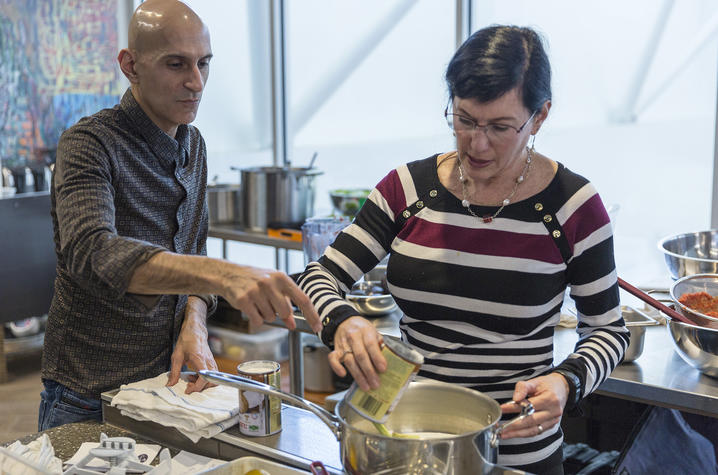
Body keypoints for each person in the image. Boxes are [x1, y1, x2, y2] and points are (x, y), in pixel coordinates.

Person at [297, 25, 629, 474]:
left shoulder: (573, 207)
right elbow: (319, 277)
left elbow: (608, 331)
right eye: (465, 119)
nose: (477, 143)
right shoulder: (408, 189)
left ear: (540, 116)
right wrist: (343, 320)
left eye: (500, 127)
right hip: (408, 441)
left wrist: (566, 381)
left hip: (517, 449)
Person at [39, 0, 320, 431]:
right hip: (87, 394)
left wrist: (196, 322)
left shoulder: (194, 145)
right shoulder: (88, 145)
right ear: (130, 66)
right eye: (176, 64)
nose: (196, 82)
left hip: (166, 386)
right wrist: (222, 275)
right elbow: (94, 254)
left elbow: (193, 246)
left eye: (204, 64)